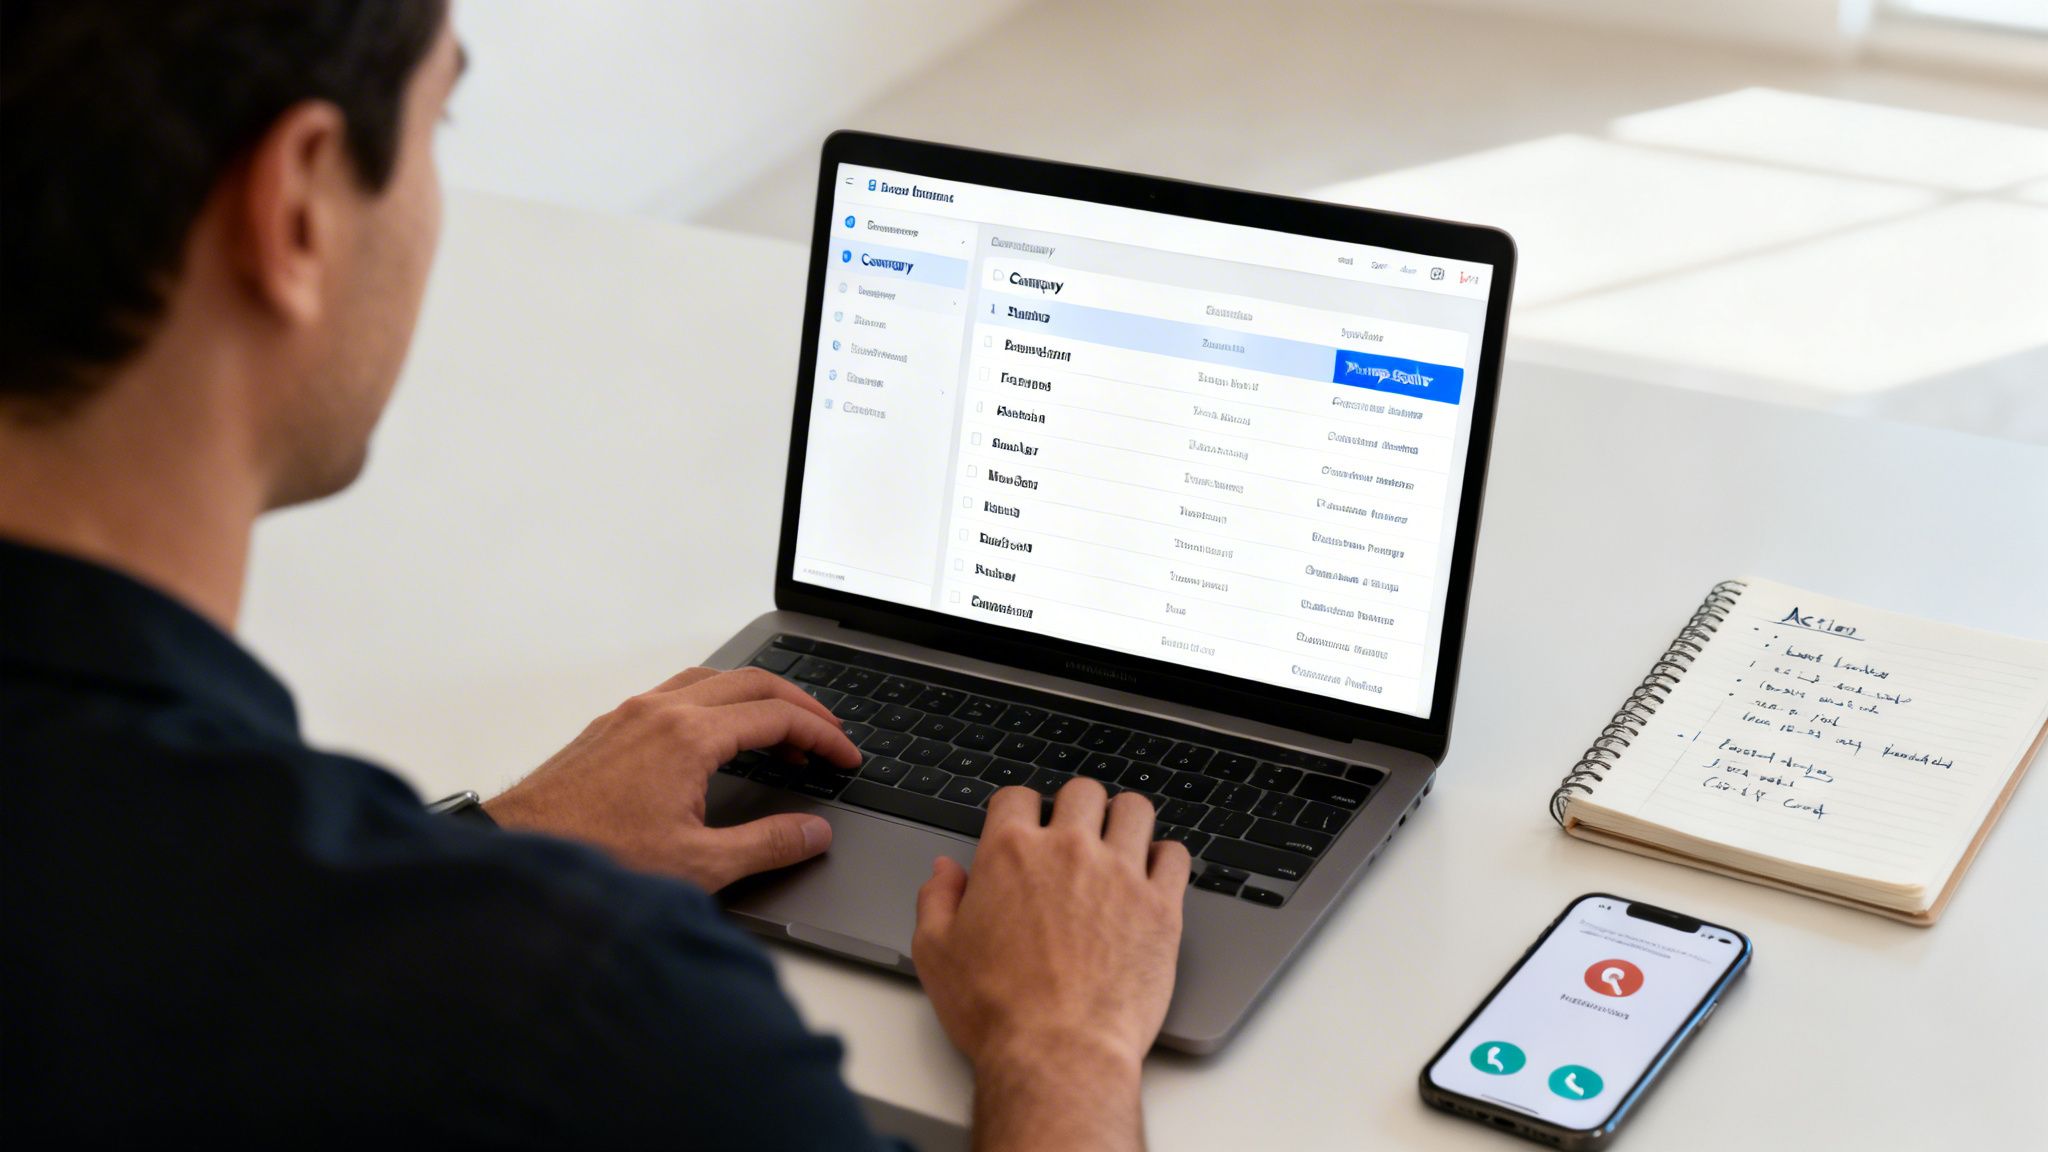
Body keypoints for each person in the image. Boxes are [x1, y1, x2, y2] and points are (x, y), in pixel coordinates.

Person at [0, 3, 1191, 1147]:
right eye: (437, 129)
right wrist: (1065, 1042)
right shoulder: (597, 1021)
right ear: (298, 205)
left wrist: (489, 840)